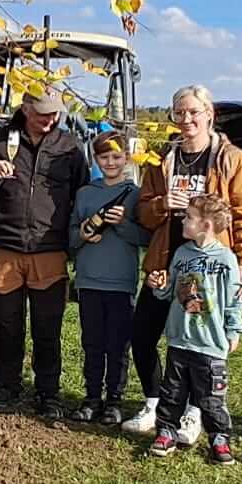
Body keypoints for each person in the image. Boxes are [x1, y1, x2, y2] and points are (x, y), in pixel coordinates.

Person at [125, 86, 242, 448]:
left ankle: (194, 411)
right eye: (178, 113)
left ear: (208, 113)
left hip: (207, 273)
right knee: (142, 335)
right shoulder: (162, 159)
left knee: (198, 346)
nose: (185, 120)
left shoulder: (230, 158)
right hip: (167, 262)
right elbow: (143, 212)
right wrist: (161, 204)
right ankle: (155, 402)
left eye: (193, 113)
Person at [0, 90, 88, 418]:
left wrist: (77, 244)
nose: (50, 120)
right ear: (25, 108)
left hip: (49, 250)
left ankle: (48, 393)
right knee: (7, 324)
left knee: (47, 328)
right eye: (42, 114)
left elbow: (82, 196)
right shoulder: (0, 139)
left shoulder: (69, 147)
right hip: (4, 247)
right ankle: (7, 386)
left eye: (54, 114)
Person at [143, 193, 242, 466]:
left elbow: (235, 299)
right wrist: (159, 285)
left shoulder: (226, 259)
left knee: (211, 397)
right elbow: (170, 292)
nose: (182, 221)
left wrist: (234, 330)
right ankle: (166, 431)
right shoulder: (181, 253)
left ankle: (219, 438)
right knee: (172, 391)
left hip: (210, 344)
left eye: (188, 217)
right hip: (179, 340)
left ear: (207, 225)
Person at [67, 133, 149, 424]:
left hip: (121, 281)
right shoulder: (86, 193)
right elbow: (72, 235)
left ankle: (114, 400)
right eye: (104, 157)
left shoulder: (136, 193)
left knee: (117, 344)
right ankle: (91, 397)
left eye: (116, 157)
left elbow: (146, 237)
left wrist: (122, 224)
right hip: (89, 280)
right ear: (95, 160)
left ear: (126, 158)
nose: (110, 162)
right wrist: (84, 234)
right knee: (92, 342)